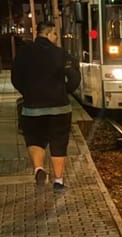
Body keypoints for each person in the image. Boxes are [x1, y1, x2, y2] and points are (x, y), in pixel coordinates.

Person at [12, 22, 80, 192]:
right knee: (59, 143)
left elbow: (15, 78)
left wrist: (28, 93)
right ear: (49, 34)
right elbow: (74, 77)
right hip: (59, 108)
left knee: (34, 139)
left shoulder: (24, 53)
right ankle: (58, 181)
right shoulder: (60, 54)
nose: (56, 38)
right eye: (55, 34)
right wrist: (64, 92)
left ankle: (39, 169)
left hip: (32, 107)